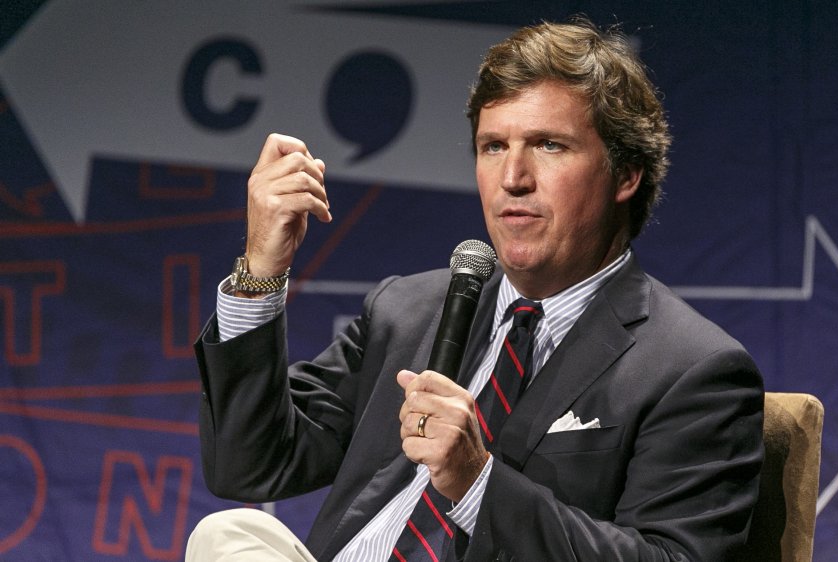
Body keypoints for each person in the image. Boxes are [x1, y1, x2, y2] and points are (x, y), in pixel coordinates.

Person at [188, 17, 764, 562]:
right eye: (493, 147)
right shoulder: (410, 310)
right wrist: (261, 271)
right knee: (230, 534)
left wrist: (477, 483)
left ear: (626, 174)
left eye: (549, 145)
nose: (512, 178)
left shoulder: (692, 370)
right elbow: (250, 467)